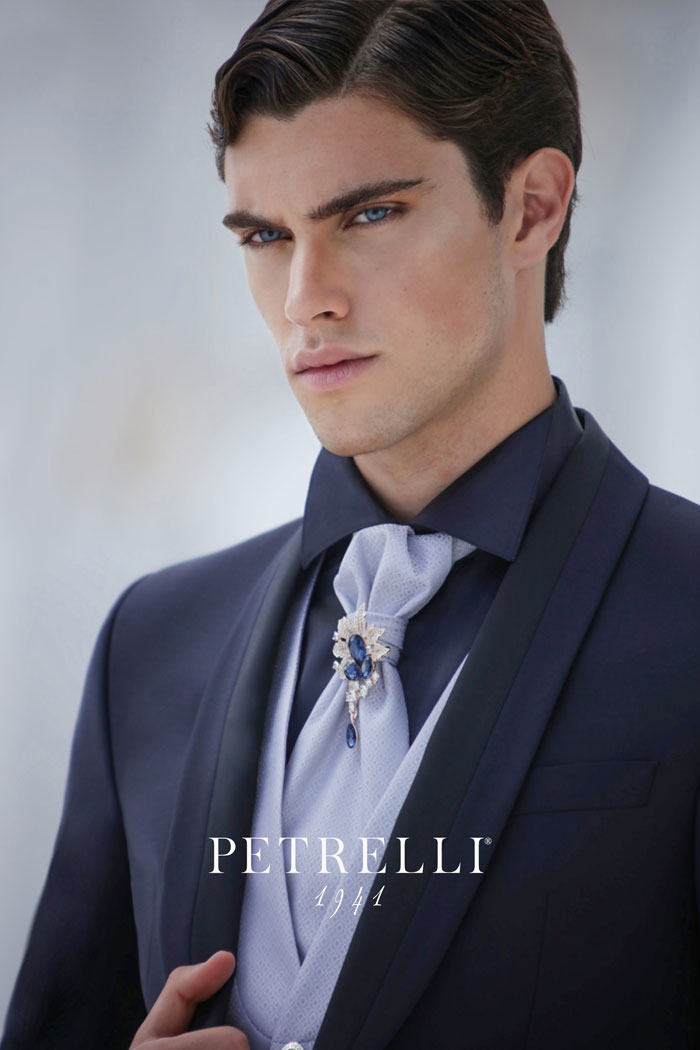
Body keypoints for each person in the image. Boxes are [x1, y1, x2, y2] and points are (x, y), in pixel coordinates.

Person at [4, 1, 700, 1048]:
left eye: (368, 216)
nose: (304, 299)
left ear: (532, 208)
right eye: (265, 236)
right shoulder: (149, 646)